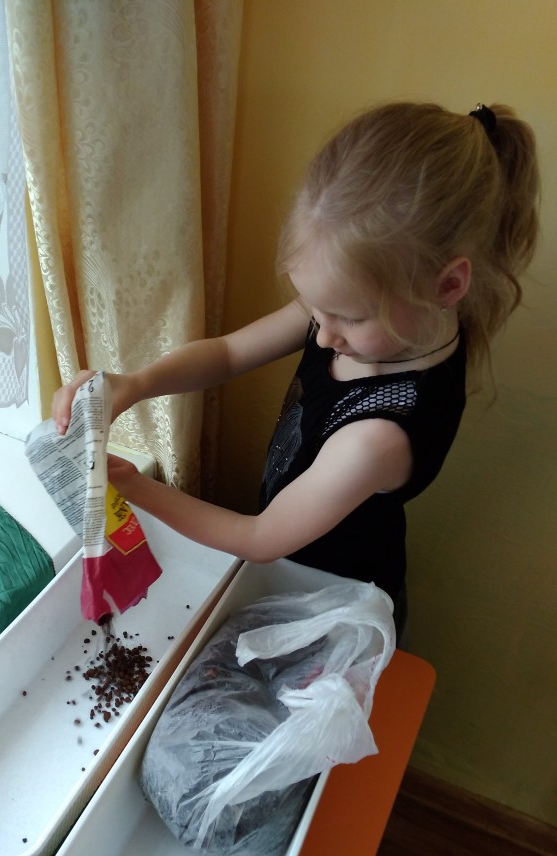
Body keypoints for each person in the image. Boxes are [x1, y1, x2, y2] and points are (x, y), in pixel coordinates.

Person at [52, 102, 539, 636]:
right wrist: (136, 383)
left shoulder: (378, 437)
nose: (323, 336)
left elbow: (260, 537)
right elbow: (228, 353)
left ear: (447, 286)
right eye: (315, 309)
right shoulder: (377, 305)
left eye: (347, 318)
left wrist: (132, 485)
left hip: (333, 607)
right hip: (283, 569)